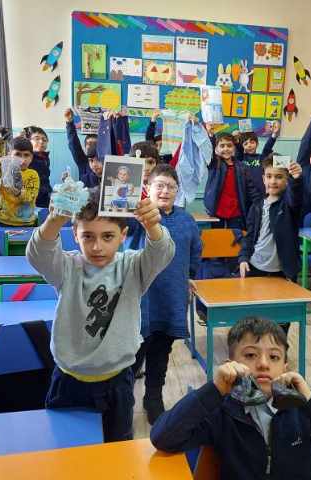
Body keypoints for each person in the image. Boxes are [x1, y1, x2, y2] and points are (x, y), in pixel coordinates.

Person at [26, 189, 174, 442]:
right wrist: (56, 218)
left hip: (117, 382)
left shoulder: (133, 266)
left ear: (123, 235)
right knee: (67, 449)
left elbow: (162, 252)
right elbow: (38, 253)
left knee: (117, 447)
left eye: (108, 236)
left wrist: (152, 225)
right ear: (75, 234)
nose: (97, 247)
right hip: (68, 381)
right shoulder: (67, 267)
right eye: (88, 236)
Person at [150, 316, 311, 479]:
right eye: (250, 355)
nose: (264, 364)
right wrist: (214, 389)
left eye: (274, 357)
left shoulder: (302, 407)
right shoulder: (221, 408)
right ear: (231, 364)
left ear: (285, 367)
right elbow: (163, 438)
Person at [128, 164, 202, 425]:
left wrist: (189, 276)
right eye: (159, 185)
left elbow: (195, 251)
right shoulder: (137, 216)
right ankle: (123, 403)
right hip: (141, 299)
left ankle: (153, 398)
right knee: (133, 355)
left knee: (161, 353)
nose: (165, 191)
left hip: (171, 297)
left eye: (171, 187)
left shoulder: (186, 220)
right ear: (147, 188)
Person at [238, 155, 303, 282]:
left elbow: (295, 197)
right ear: (263, 179)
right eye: (269, 176)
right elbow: (250, 236)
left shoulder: (289, 205)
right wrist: (243, 258)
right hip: (255, 267)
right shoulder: (256, 206)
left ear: (287, 180)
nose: (273, 181)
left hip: (283, 272)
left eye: (279, 177)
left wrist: (296, 180)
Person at [204, 131, 261, 230]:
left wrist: (259, 203)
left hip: (236, 213)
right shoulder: (215, 164)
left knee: (236, 238)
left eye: (229, 146)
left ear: (234, 147)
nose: (226, 148)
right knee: (217, 237)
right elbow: (209, 152)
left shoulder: (242, 167)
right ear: (216, 148)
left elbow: (250, 189)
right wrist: (211, 135)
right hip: (217, 212)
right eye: (222, 146)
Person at [0, 130, 40, 227]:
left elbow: (31, 196)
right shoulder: (4, 169)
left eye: (26, 155)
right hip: (2, 220)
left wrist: (18, 193)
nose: (22, 159)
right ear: (10, 155)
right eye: (17, 154)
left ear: (31, 158)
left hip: (25, 223)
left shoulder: (33, 175)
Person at [234, 122, 279, 197]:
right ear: (242, 146)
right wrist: (236, 140)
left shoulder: (261, 158)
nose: (249, 145)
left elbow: (267, 148)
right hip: (245, 194)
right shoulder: (241, 158)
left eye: (252, 142)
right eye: (245, 144)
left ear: (257, 144)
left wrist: (274, 134)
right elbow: (238, 150)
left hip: (261, 194)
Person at [65, 108, 102, 188]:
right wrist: (69, 122)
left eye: (95, 144)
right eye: (89, 144)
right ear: (85, 147)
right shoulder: (83, 162)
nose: (91, 147)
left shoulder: (105, 162)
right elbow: (74, 144)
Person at [23, 125, 52, 208]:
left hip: (44, 198)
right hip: (30, 200)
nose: (41, 142)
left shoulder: (45, 158)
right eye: (37, 139)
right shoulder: (26, 158)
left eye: (44, 140)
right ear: (29, 141)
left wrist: (51, 192)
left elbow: (45, 180)